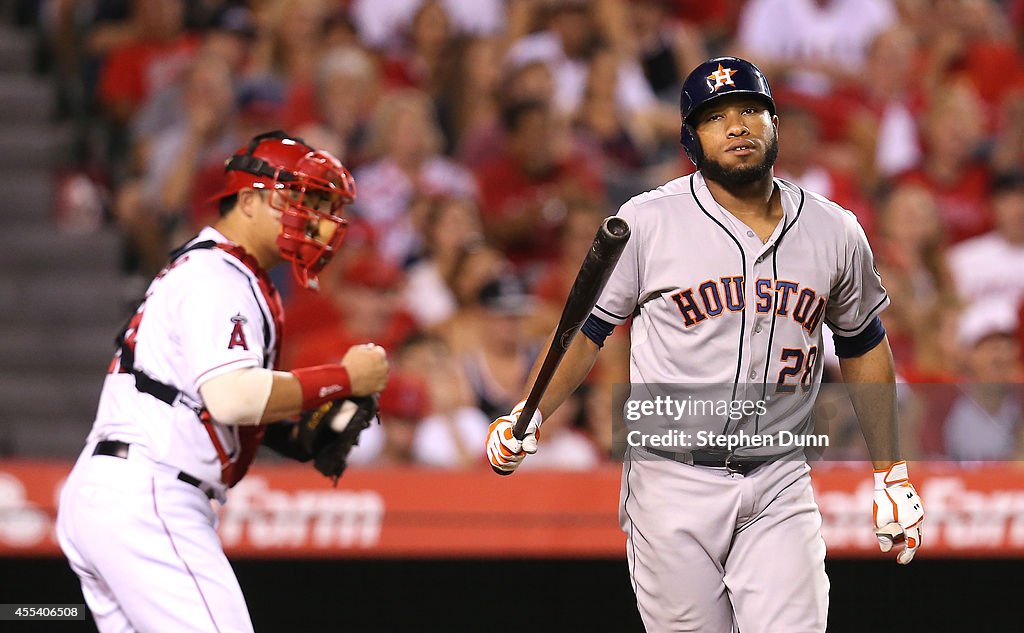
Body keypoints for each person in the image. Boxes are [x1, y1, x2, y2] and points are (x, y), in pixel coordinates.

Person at [486, 57, 925, 633]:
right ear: (693, 139)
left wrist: (890, 471)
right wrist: (530, 411)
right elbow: (587, 331)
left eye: (750, 110)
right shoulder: (648, 221)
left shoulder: (834, 229)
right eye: (717, 117)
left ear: (775, 125)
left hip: (779, 477)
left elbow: (864, 343)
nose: (737, 126)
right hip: (671, 481)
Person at [56, 131, 389, 633]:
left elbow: (211, 401)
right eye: (303, 200)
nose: (317, 220)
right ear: (250, 199)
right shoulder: (219, 276)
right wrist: (343, 378)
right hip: (149, 493)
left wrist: (297, 435)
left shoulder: (218, 270)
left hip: (122, 490)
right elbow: (233, 398)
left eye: (323, 205)